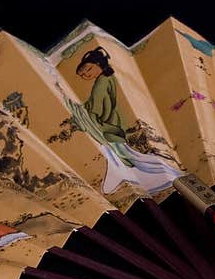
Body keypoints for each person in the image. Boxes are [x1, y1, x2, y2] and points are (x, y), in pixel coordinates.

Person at [69, 46, 182, 194]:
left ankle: (150, 176)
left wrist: (83, 112)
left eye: (87, 69)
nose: (86, 75)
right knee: (125, 153)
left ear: (98, 64)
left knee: (122, 153)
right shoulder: (107, 78)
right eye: (82, 75)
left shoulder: (101, 83)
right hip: (113, 120)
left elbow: (97, 107)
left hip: (107, 123)